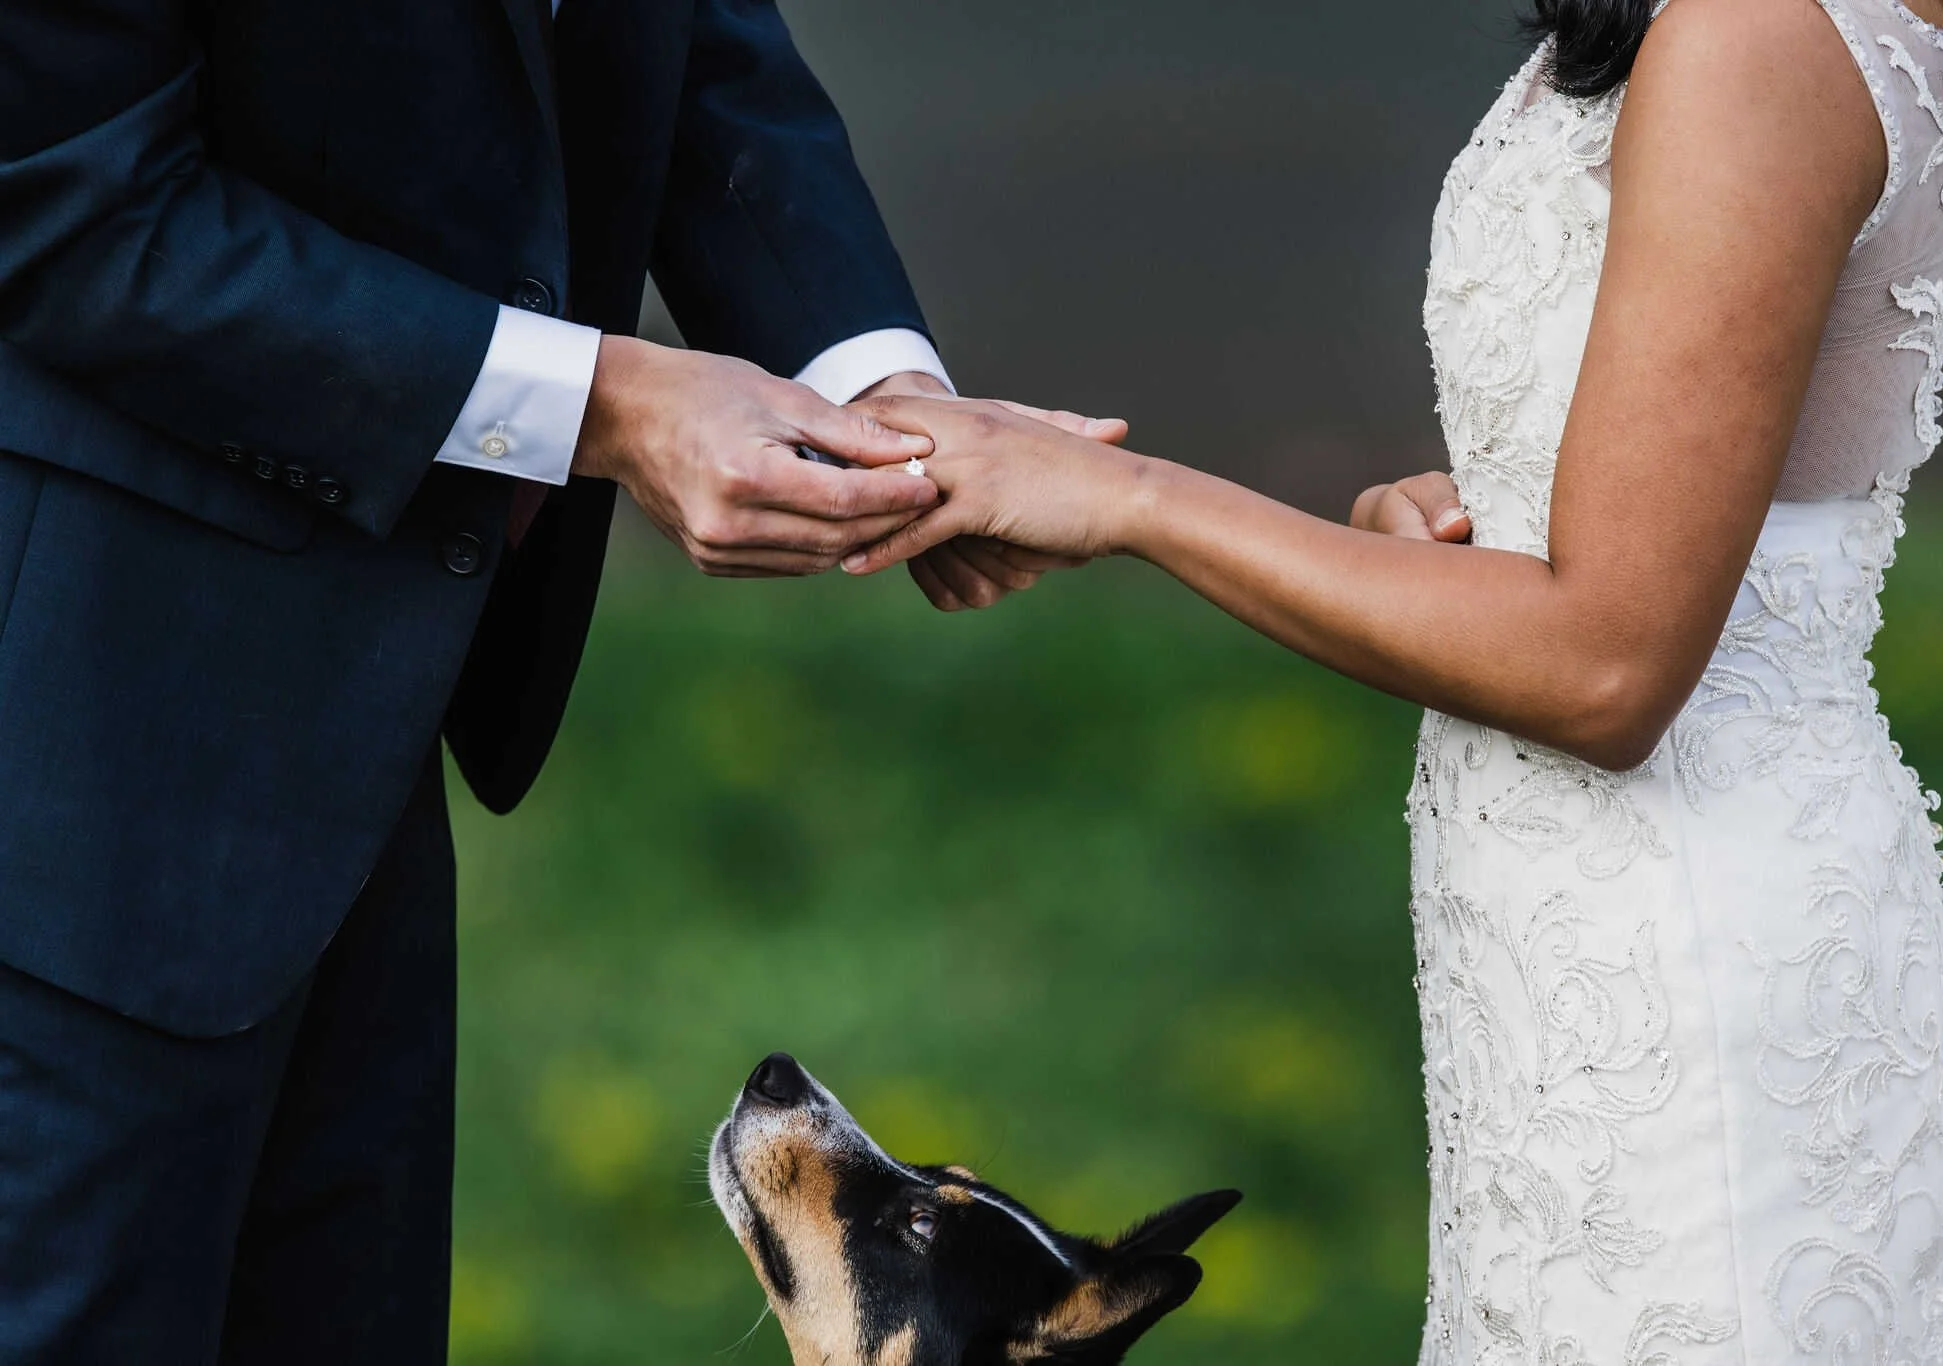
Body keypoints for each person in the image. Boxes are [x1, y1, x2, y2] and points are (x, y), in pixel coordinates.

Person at [845, 0, 1943, 1357]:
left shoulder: (1756, 29)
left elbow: (1606, 663)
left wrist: (1126, 496)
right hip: (1592, 964)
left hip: (1686, 995)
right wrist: (1420, 550)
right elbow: (1661, 539)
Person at [0, 0, 1110, 1358]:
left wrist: (875, 386)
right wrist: (597, 402)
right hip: (74, 730)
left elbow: (675, 30)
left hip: (363, 747)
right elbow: (68, 204)